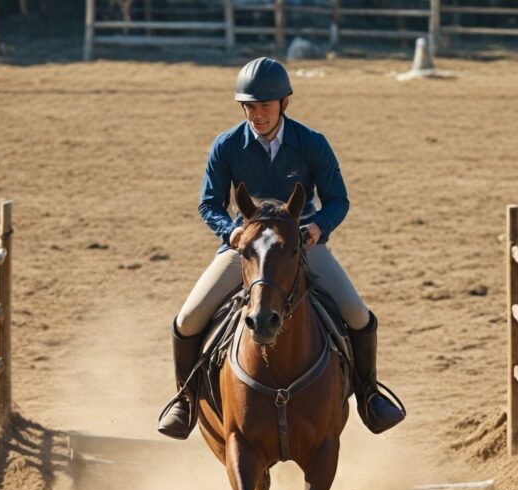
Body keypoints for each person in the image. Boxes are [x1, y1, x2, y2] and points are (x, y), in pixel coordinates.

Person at [158, 57, 405, 439]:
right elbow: (209, 204)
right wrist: (230, 234)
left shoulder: (312, 143)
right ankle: (185, 400)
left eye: (265, 106)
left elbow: (338, 199)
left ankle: (369, 395)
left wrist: (318, 227)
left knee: (357, 313)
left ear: (284, 104)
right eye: (250, 107)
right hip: (247, 248)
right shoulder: (226, 146)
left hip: (301, 245)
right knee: (187, 319)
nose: (257, 115)